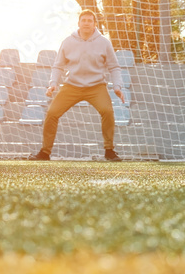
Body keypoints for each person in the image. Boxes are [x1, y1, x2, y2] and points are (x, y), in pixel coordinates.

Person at [28, 9, 126, 161]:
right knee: (52, 113)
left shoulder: (104, 43)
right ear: (79, 23)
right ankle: (44, 152)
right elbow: (58, 65)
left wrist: (117, 86)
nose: (86, 23)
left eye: (89, 21)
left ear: (95, 24)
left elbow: (114, 66)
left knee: (107, 111)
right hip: (72, 86)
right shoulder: (68, 42)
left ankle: (109, 151)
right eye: (84, 20)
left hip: (96, 87)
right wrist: (53, 83)